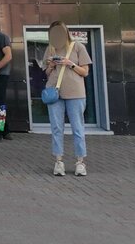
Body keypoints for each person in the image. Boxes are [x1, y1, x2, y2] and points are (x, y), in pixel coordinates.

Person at [43, 21, 92, 177]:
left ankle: (80, 162)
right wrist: (51, 65)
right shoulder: (50, 48)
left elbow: (85, 72)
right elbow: (46, 72)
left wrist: (70, 63)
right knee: (56, 127)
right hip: (54, 92)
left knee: (77, 128)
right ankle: (58, 161)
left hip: (75, 93)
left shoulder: (77, 47)